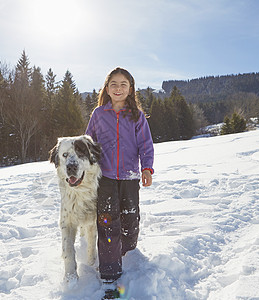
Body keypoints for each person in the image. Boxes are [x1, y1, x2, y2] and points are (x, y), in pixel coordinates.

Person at [85, 67, 154, 297]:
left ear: (130, 89)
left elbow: (145, 144)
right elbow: (88, 143)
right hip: (104, 177)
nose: (118, 88)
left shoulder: (136, 116)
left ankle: (127, 254)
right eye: (113, 84)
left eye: (123, 84)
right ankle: (109, 272)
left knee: (130, 217)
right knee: (107, 221)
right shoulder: (98, 114)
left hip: (130, 176)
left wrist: (146, 168)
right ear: (106, 88)